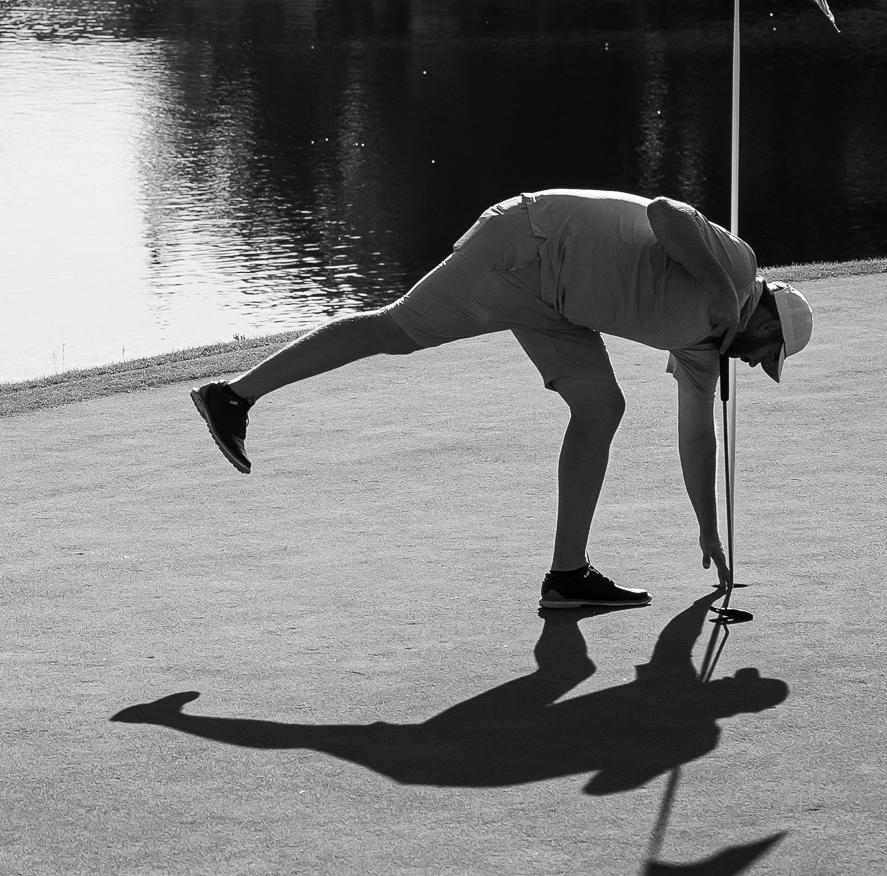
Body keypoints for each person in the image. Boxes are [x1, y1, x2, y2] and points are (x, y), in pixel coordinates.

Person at [191, 189, 812, 611]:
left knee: (601, 408)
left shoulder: (707, 348)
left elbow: (697, 435)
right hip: (528, 242)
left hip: (556, 305)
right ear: (768, 318)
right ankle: (234, 395)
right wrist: (718, 287)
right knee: (396, 331)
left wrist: (707, 526)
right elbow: (665, 212)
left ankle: (567, 576)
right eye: (769, 352)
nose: (757, 364)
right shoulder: (737, 268)